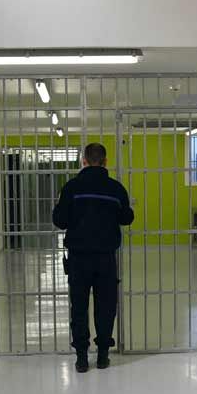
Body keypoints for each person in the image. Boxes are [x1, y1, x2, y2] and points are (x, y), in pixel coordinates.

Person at [52, 142, 134, 373]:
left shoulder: (71, 188)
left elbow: (59, 221)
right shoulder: (116, 189)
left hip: (78, 259)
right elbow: (127, 218)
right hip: (105, 258)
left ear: (84, 161)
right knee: (105, 306)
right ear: (105, 161)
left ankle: (81, 358)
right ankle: (102, 356)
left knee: (79, 307)